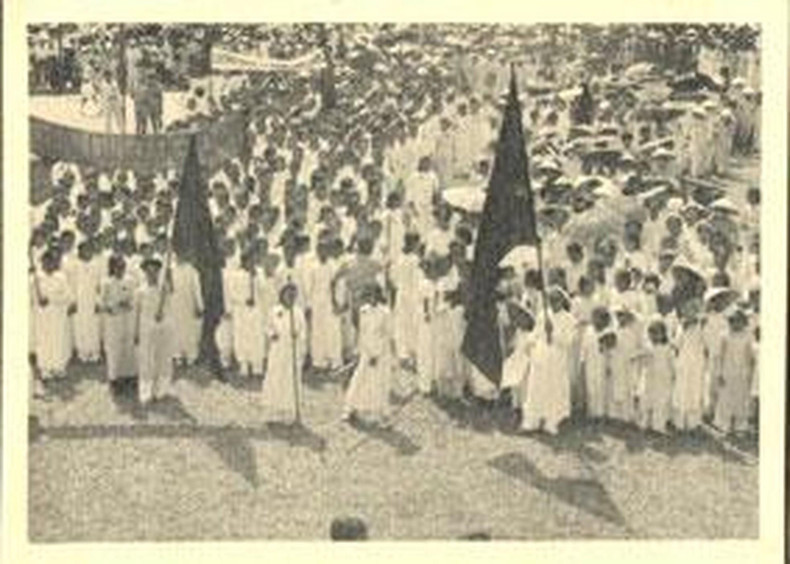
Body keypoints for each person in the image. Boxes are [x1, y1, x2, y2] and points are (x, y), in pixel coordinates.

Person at [520, 286, 573, 434]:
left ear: (563, 300)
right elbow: (536, 333)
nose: (553, 302)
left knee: (553, 388)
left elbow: (568, 341)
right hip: (540, 355)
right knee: (536, 387)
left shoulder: (568, 318)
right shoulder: (543, 314)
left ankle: (552, 421)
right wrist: (529, 343)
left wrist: (553, 334)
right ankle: (532, 421)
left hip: (556, 357)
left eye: (556, 299)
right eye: (551, 300)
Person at [343, 284, 393, 424]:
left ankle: (378, 413)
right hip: (366, 350)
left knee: (377, 383)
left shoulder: (385, 312)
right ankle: (352, 408)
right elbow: (362, 332)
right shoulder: (363, 311)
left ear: (378, 295)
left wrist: (376, 355)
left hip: (380, 353)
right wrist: (358, 351)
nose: (371, 298)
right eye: (368, 295)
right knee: (359, 379)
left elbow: (386, 335)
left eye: (374, 294)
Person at [262, 281, 307, 422]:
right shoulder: (275, 310)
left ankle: (290, 412)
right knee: (275, 378)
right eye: (288, 295)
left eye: (294, 296)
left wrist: (298, 336)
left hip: (292, 350)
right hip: (278, 349)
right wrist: (272, 334)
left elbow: (304, 331)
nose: (291, 298)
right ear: (282, 295)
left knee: (290, 380)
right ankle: (272, 411)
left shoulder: (298, 312)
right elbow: (267, 326)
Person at [134, 258, 175, 406]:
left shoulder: (165, 288)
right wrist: (136, 333)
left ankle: (162, 390)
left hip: (164, 327)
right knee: (147, 359)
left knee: (163, 357)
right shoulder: (140, 291)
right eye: (149, 272)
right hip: (146, 328)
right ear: (144, 273)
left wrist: (169, 274)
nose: (152, 274)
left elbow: (171, 295)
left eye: (155, 271)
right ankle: (145, 392)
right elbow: (137, 313)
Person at [32, 249, 75, 381]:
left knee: (58, 340)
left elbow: (68, 297)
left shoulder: (61, 277)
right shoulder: (36, 278)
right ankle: (45, 369)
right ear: (42, 262)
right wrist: (38, 300)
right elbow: (32, 298)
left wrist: (51, 299)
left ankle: (58, 367)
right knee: (44, 341)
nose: (50, 264)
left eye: (53, 261)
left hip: (58, 315)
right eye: (47, 261)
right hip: (42, 316)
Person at [714, 309, 755, 434]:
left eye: (739, 321)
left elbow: (750, 355)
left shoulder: (748, 335)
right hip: (727, 371)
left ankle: (740, 425)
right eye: (733, 321)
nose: (736, 324)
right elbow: (720, 355)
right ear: (729, 322)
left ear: (744, 322)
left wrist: (750, 371)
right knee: (726, 397)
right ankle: (724, 424)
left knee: (741, 397)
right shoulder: (724, 335)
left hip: (742, 371)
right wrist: (719, 372)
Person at [227, 250, 266, 378]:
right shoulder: (236, 275)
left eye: (253, 260)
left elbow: (263, 290)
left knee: (256, 337)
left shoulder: (259, 273)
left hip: (256, 311)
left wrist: (256, 277)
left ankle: (257, 366)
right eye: (249, 260)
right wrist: (243, 300)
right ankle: (243, 365)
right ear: (244, 261)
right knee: (242, 337)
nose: (252, 263)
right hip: (242, 310)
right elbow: (232, 293)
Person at [100, 254, 137, 383]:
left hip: (128, 318)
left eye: (123, 266)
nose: (120, 270)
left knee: (128, 345)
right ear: (112, 267)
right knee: (113, 347)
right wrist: (112, 306)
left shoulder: (130, 280)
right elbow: (102, 302)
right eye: (117, 267)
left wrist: (129, 304)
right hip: (113, 320)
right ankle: (114, 377)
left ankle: (128, 375)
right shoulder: (106, 282)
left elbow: (134, 298)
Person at [671, 298, 707, 431]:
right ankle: (680, 421)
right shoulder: (681, 326)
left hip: (697, 362)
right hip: (684, 361)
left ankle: (693, 422)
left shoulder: (701, 326)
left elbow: (706, 342)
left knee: (694, 390)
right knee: (682, 389)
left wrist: (702, 325)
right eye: (687, 311)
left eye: (693, 311)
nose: (689, 314)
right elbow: (677, 344)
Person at [640, 319, 675, 433]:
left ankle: (658, 425)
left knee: (660, 401)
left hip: (663, 378)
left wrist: (673, 375)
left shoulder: (667, 348)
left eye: (657, 333)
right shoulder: (647, 347)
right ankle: (646, 423)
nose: (654, 336)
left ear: (663, 334)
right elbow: (644, 362)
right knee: (647, 399)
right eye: (651, 333)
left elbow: (672, 363)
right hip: (650, 377)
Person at [170, 254, 204, 366]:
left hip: (188, 304)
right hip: (175, 304)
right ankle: (177, 354)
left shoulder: (192, 271)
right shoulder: (171, 269)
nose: (180, 258)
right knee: (176, 328)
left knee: (189, 329)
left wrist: (199, 305)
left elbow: (196, 288)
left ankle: (191, 355)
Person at [72, 240, 102, 363]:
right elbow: (72, 284)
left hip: (92, 300)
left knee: (94, 326)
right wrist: (73, 301)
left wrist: (98, 301)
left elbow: (99, 286)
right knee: (80, 326)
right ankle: (82, 353)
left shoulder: (96, 265)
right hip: (80, 300)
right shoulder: (75, 265)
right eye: (84, 250)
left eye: (89, 250)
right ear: (79, 251)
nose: (87, 252)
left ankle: (94, 352)